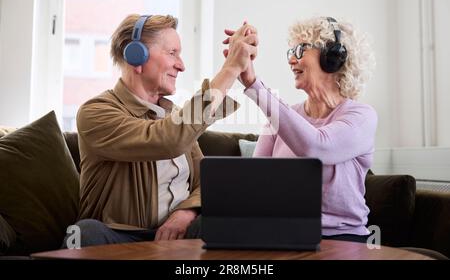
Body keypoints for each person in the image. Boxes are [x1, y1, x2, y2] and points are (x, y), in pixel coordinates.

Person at [64, 14, 257, 248]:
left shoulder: (173, 115)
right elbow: (167, 139)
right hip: (117, 236)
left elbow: (204, 180)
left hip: (177, 234)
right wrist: (230, 68)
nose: (182, 65)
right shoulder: (95, 112)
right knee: (83, 232)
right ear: (135, 55)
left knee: (220, 223)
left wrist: (186, 213)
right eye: (172, 53)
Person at [225, 17, 377, 243]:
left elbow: (317, 148)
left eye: (300, 49)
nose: (291, 60)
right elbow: (254, 180)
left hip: (340, 238)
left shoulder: (362, 116)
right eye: (290, 53)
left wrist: (254, 85)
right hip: (282, 233)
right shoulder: (281, 117)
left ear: (332, 56)